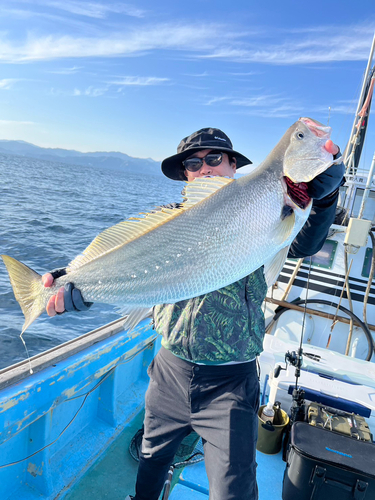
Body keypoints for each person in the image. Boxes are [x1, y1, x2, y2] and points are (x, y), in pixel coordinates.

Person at [43, 127, 344, 500]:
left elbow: (304, 240)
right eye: (193, 162)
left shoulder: (265, 209)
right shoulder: (168, 218)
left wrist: (326, 196)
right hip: (168, 371)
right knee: (150, 465)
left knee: (234, 491)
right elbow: (122, 252)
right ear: (185, 174)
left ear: (233, 165)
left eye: (214, 159)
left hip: (230, 384)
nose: (204, 168)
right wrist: (71, 281)